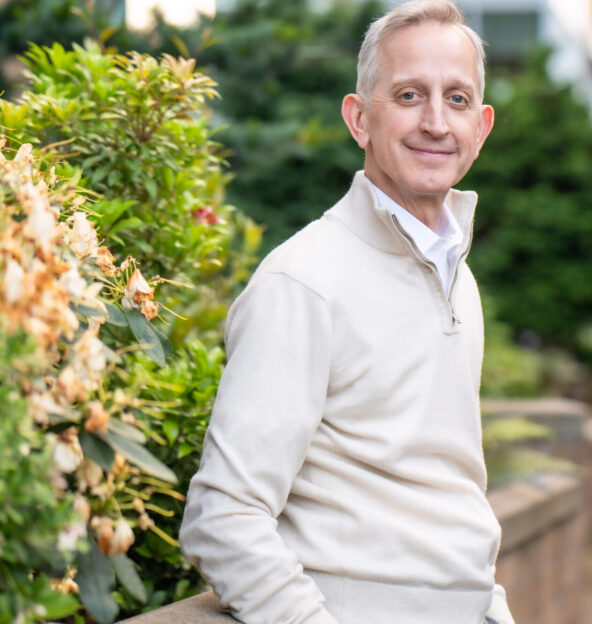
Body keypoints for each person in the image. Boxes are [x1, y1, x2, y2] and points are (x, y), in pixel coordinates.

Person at [178, 1, 512, 622]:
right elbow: (223, 516)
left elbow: (450, 489)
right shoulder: (303, 282)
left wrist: (490, 606)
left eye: (457, 99)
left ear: (482, 127)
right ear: (359, 119)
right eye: (410, 95)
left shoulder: (458, 277)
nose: (436, 122)